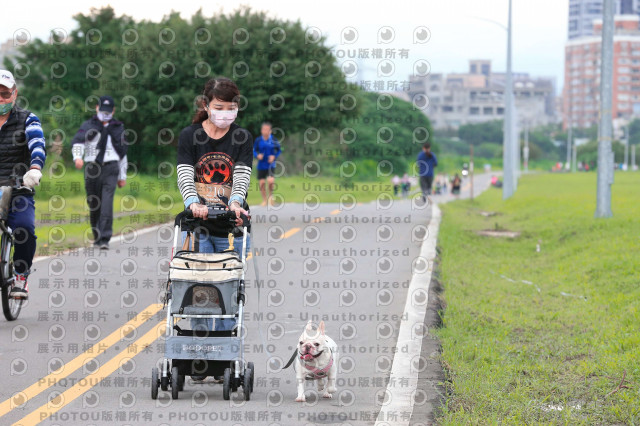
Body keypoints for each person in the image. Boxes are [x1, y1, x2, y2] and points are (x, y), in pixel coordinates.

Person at [177, 77, 252, 335]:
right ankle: (199, 343)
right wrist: (192, 203)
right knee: (200, 288)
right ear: (206, 105)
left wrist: (235, 203)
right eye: (219, 107)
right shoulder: (190, 136)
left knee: (227, 286)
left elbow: (241, 176)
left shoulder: (242, 137)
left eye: (231, 108)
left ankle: (225, 344)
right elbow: (185, 175)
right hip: (198, 223)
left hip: (231, 224)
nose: (225, 113)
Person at [0, 70, 45, 299]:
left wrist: (35, 168)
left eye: (5, 94)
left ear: (14, 94)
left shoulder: (28, 119)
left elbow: (37, 144)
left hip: (18, 187)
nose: (1, 99)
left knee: (24, 228)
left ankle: (20, 275)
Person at [71, 95, 128, 250]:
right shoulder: (88, 125)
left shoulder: (118, 127)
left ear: (113, 111)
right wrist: (77, 157)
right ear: (97, 108)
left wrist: (122, 176)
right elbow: (78, 142)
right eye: (103, 111)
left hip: (111, 168)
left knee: (107, 203)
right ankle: (96, 236)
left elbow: (122, 153)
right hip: (92, 168)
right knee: (94, 203)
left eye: (108, 112)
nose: (105, 114)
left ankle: (104, 238)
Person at [253, 121, 281, 206]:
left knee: (270, 180)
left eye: (267, 129)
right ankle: (264, 200)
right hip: (261, 165)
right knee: (262, 183)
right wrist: (257, 155)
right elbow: (254, 150)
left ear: (270, 131)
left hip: (270, 165)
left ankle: (270, 196)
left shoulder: (273, 140)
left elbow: (279, 150)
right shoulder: (258, 140)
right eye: (264, 129)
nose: (265, 131)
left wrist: (274, 157)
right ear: (261, 130)